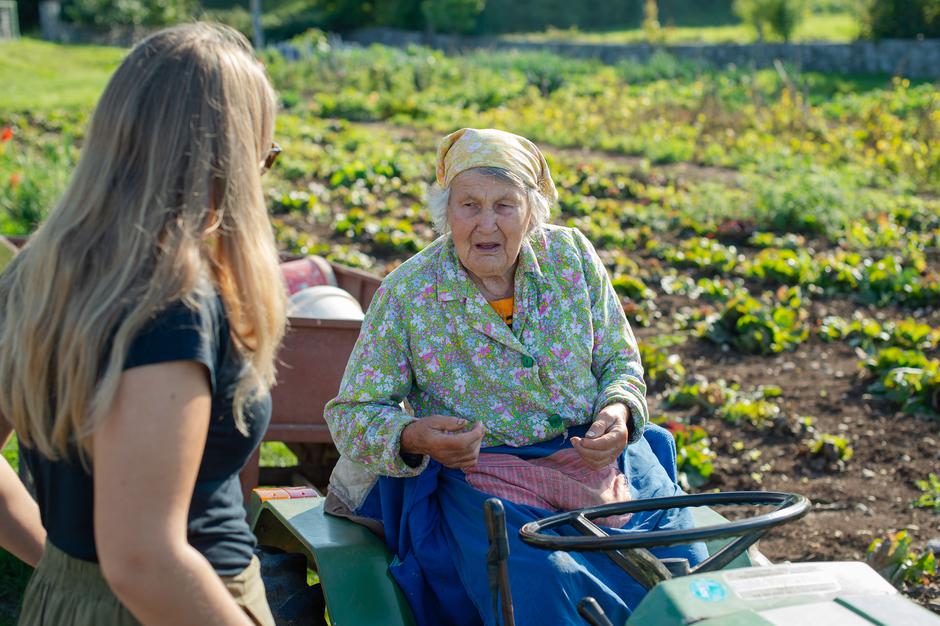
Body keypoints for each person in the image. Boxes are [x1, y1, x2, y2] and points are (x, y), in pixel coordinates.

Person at [324, 128, 706, 625]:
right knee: (547, 583)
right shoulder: (407, 293)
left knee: (687, 565)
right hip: (488, 476)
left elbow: (620, 362)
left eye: (505, 205)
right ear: (446, 212)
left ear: (532, 210)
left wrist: (618, 410)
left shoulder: (571, 258)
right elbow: (352, 414)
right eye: (469, 205)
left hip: (600, 462)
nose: (487, 224)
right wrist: (414, 436)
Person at [0, 23, 287, 626]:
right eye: (264, 156)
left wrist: (66, 569)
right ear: (224, 159)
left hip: (66, 598)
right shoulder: (173, 301)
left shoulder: (39, 272)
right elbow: (144, 559)